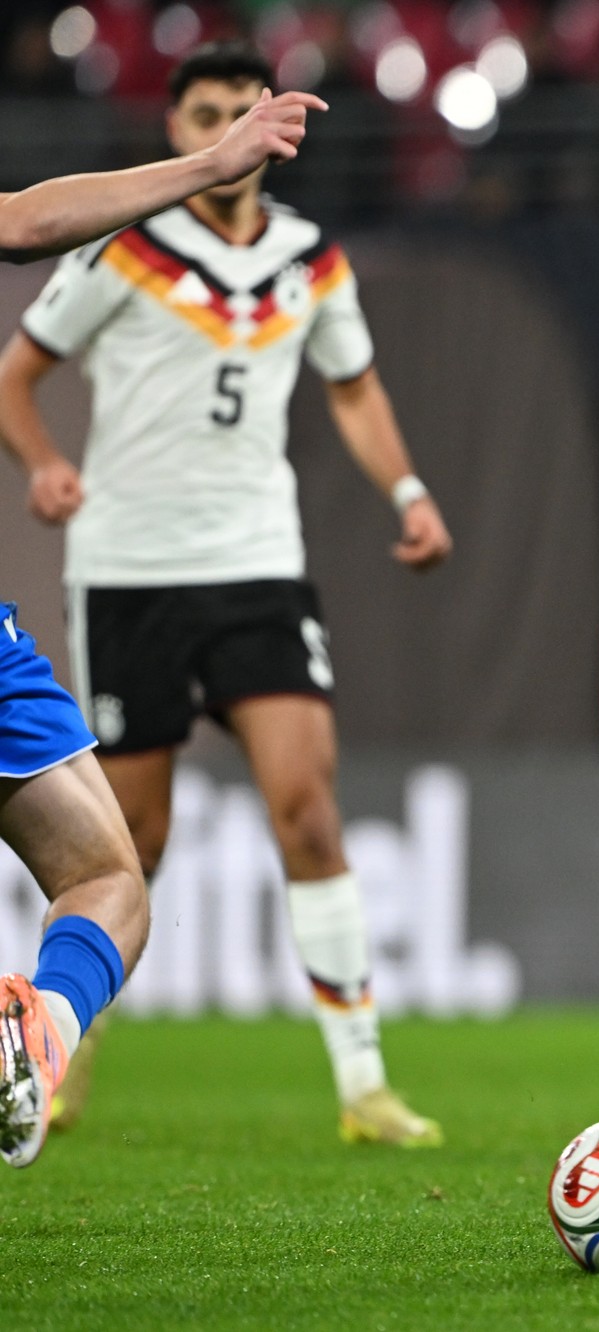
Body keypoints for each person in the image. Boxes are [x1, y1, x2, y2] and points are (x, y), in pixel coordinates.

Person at [0, 43, 451, 1148]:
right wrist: (45, 460)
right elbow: (18, 365)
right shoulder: (120, 246)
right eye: (204, 112)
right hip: (128, 566)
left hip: (257, 559)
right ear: (176, 127)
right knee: (128, 848)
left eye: (240, 112)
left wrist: (405, 487)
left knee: (306, 807)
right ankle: (56, 1047)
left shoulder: (311, 257)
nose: (225, 129)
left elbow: (354, 389)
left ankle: (362, 1084)